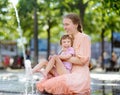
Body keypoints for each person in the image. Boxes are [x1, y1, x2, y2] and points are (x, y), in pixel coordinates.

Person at [36, 13, 91, 95]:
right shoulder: (68, 38)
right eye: (63, 25)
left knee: (51, 85)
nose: (64, 27)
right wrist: (55, 59)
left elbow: (82, 61)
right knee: (44, 84)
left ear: (76, 25)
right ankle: (34, 70)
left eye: (67, 24)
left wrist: (61, 57)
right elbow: (63, 58)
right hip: (67, 71)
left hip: (79, 75)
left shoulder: (84, 38)